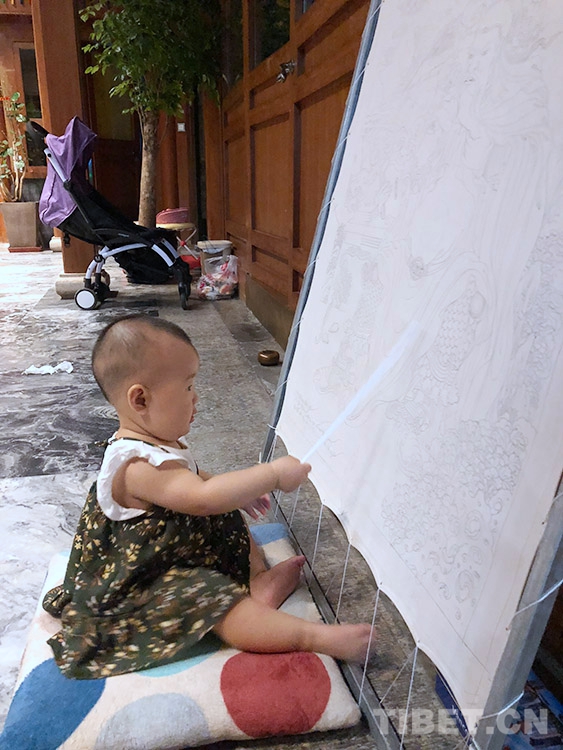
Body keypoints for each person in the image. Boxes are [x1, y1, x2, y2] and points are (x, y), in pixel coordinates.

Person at [43, 314, 374, 678]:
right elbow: (201, 497)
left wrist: (239, 495)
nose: (196, 396)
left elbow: (193, 477)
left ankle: (257, 581)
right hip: (143, 580)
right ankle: (310, 636)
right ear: (140, 399)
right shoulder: (136, 466)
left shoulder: (155, 443)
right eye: (187, 387)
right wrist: (272, 475)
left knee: (227, 511)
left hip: (169, 549)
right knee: (204, 594)